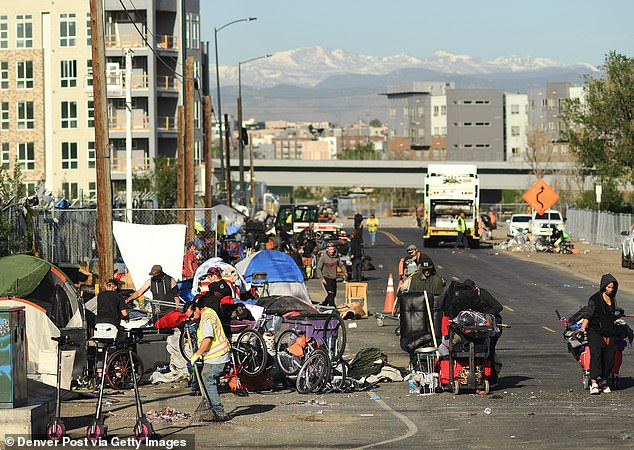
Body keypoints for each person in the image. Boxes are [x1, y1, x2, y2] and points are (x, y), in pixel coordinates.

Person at [185, 301, 231, 421]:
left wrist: (197, 354)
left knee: (207, 378)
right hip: (215, 355)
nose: (191, 319)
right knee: (207, 378)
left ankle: (219, 412)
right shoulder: (207, 312)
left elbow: (207, 340)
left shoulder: (206, 319)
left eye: (191, 316)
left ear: (197, 309)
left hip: (218, 355)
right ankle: (213, 407)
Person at [579, 274, 619, 395]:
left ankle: (603, 380)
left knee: (610, 356)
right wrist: (582, 329)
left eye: (612, 287)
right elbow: (588, 315)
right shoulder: (594, 299)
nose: (611, 289)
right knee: (596, 355)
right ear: (603, 286)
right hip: (595, 331)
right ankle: (594, 382)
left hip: (609, 332)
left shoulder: (612, 299)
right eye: (609, 287)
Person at [463, 279, 503, 385]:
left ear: (476, 288)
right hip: (480, 326)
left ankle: (492, 379)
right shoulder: (467, 297)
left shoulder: (484, 294)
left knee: (490, 350)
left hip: (494, 325)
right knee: (480, 350)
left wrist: (484, 316)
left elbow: (498, 307)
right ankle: (479, 376)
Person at [317, 241, 347, 306]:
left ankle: (324, 304)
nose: (332, 251)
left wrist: (345, 272)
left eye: (333, 249)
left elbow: (341, 265)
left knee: (333, 294)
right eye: (330, 249)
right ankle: (332, 307)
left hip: (333, 277)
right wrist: (322, 278)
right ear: (327, 250)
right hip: (326, 277)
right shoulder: (323, 257)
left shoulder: (337, 256)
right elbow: (318, 268)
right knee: (331, 293)